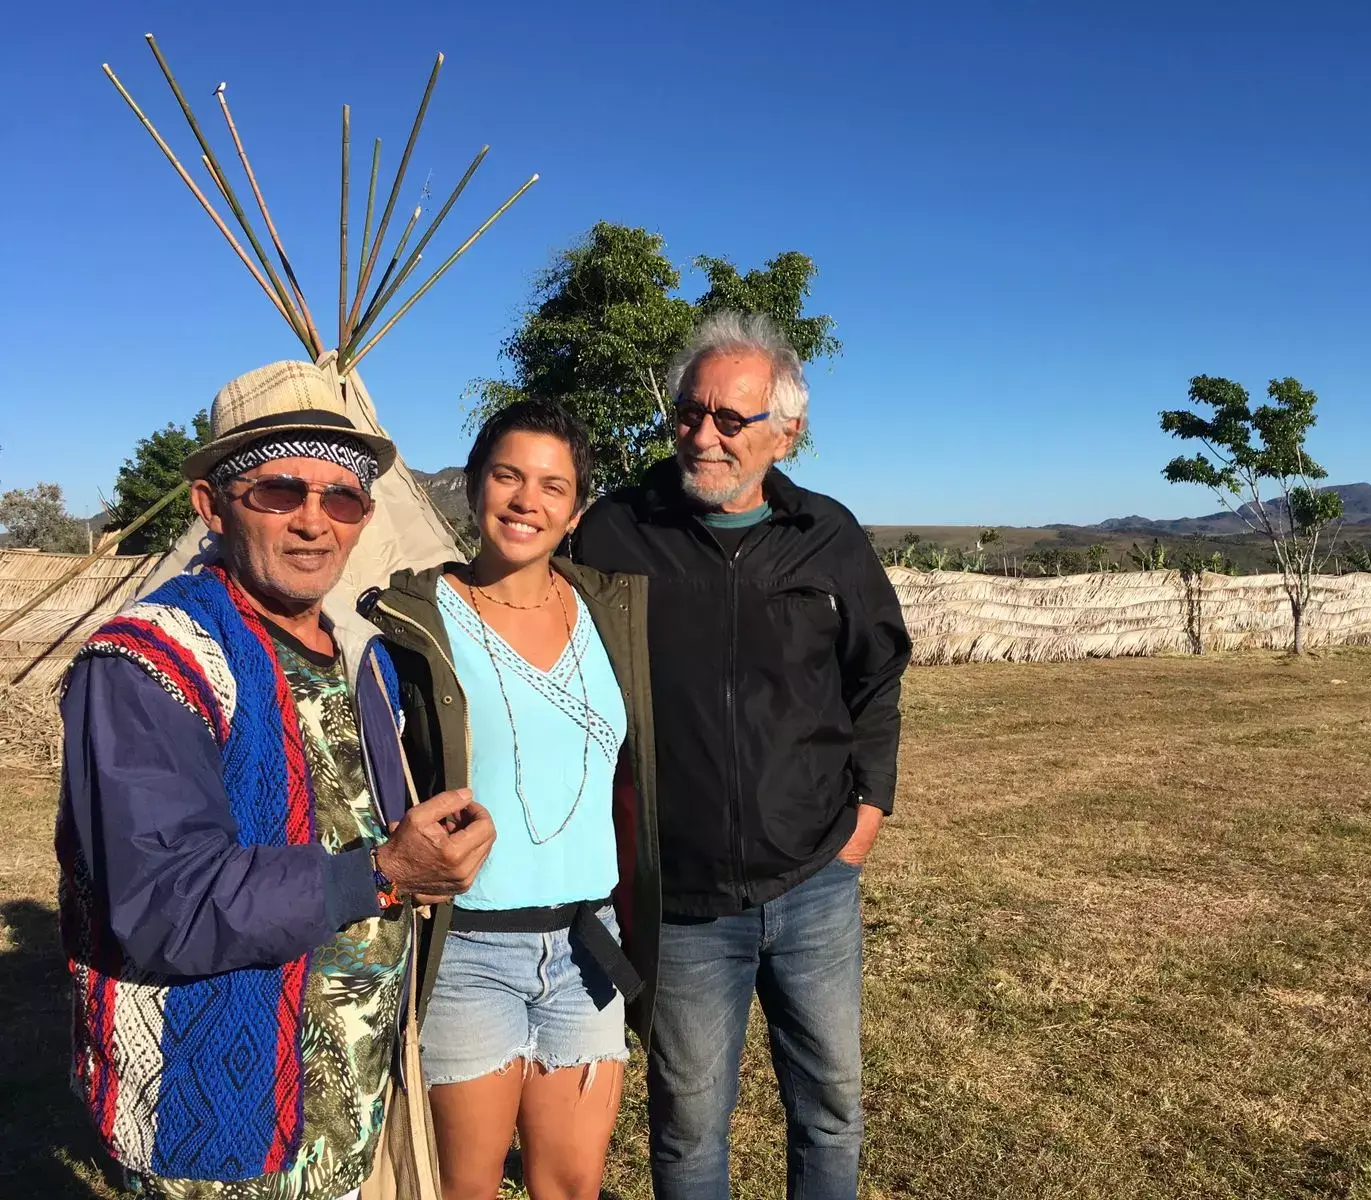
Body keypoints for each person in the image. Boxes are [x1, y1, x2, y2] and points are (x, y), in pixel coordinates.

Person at [56, 358, 495, 1200]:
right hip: (223, 1107)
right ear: (210, 504)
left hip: (345, 1095)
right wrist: (383, 873)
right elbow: (164, 902)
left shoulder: (355, 655)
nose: (313, 523)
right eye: (278, 491)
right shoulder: (153, 664)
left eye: (343, 499)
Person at [570, 311, 912, 1200]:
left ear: (785, 430)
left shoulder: (828, 537)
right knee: (687, 1127)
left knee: (831, 1107)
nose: (704, 435)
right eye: (690, 412)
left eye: (731, 418)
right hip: (680, 900)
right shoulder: (614, 534)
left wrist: (867, 812)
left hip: (815, 880)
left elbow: (877, 676)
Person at [362, 397, 661, 1200]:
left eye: (553, 487)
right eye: (508, 476)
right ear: (472, 485)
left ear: (576, 510)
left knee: (571, 1186)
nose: (528, 501)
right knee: (467, 1188)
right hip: (471, 953)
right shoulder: (420, 621)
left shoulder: (609, 614)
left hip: (587, 947)